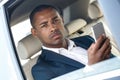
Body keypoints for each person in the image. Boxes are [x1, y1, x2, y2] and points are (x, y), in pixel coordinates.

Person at [29, 4, 112, 80]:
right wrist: (92, 67)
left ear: (62, 20)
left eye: (55, 20)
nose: (53, 28)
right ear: (35, 32)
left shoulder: (87, 40)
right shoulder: (41, 69)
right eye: (44, 25)